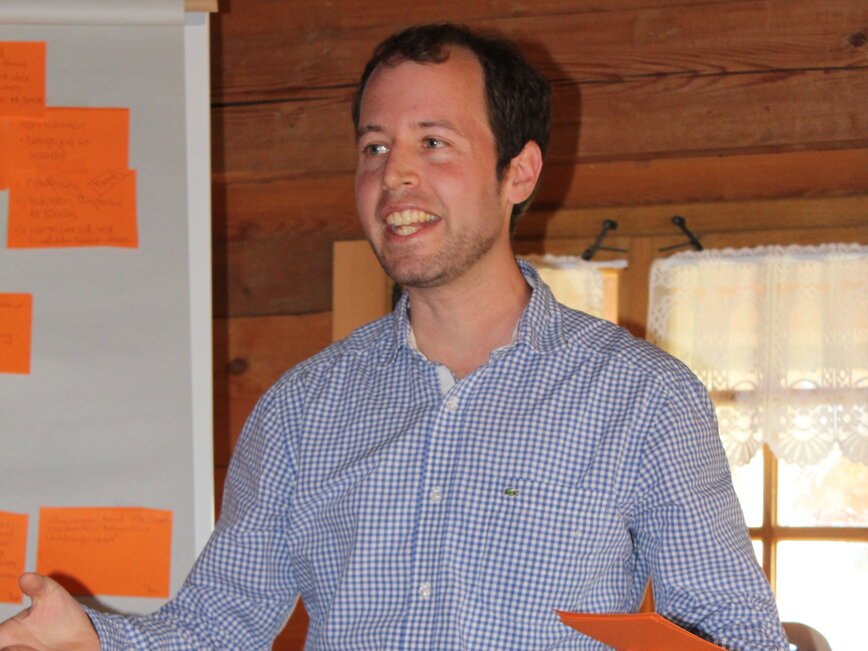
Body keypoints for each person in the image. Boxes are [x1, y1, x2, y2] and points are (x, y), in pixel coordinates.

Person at [0, 23, 788, 651]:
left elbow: (736, 632)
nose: (394, 177)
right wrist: (95, 641)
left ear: (518, 172)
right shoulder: (301, 410)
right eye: (375, 147)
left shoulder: (643, 398)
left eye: (433, 142)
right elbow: (217, 625)